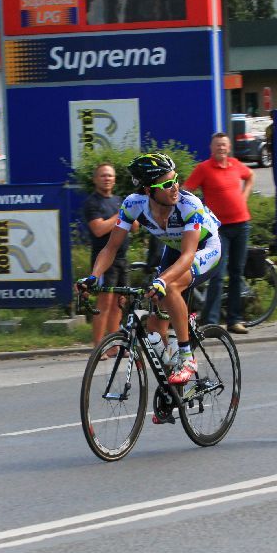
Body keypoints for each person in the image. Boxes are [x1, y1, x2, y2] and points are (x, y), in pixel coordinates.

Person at [77, 153, 222, 389]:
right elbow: (110, 248)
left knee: (170, 286)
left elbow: (188, 256)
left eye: (175, 179)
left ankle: (187, 357)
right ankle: (173, 388)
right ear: (148, 190)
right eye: (167, 184)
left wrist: (162, 281)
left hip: (204, 249)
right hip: (174, 250)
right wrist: (93, 277)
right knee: (154, 327)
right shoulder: (133, 205)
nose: (175, 187)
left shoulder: (188, 205)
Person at [184, 132, 255, 334]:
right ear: (211, 148)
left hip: (241, 225)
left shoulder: (235, 164)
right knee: (217, 274)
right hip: (218, 229)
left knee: (236, 274)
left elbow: (250, 175)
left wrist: (244, 195)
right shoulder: (204, 168)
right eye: (217, 145)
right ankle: (211, 322)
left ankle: (234, 320)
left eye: (224, 145)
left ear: (229, 147)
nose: (221, 148)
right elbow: (186, 191)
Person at [82, 163, 133, 358]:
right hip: (104, 260)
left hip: (122, 259)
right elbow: (99, 229)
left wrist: (131, 216)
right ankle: (98, 347)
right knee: (104, 303)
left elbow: (135, 225)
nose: (107, 178)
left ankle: (114, 346)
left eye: (110, 175)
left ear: (115, 179)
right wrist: (121, 216)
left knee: (119, 303)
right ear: (96, 179)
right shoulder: (92, 203)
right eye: (103, 175)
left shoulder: (119, 201)